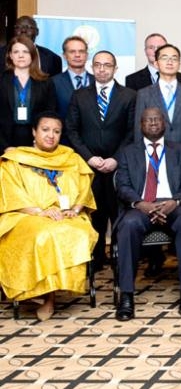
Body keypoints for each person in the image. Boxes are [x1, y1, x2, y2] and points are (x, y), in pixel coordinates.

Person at [0, 112, 97, 321]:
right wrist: (39, 212)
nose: (51, 135)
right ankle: (36, 291)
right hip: (25, 216)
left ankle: (50, 296)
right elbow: (11, 194)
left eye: (56, 131)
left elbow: (84, 188)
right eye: (45, 130)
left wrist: (76, 209)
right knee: (44, 235)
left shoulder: (71, 158)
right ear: (34, 132)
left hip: (67, 215)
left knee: (73, 232)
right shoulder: (15, 160)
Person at [113, 107, 181, 321]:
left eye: (157, 119)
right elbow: (122, 186)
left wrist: (175, 201)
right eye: (148, 120)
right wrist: (141, 203)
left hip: (172, 205)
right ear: (141, 125)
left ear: (164, 124)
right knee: (128, 226)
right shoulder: (128, 152)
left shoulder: (180, 150)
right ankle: (126, 296)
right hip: (140, 207)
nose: (152, 123)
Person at [66, 50, 136, 270]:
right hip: (89, 167)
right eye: (98, 65)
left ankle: (119, 257)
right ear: (92, 67)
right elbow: (71, 130)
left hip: (118, 166)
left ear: (115, 69)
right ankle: (94, 259)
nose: (102, 69)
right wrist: (89, 157)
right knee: (93, 212)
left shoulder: (129, 95)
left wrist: (115, 159)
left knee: (118, 213)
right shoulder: (80, 95)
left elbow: (132, 132)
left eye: (107, 65)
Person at [134, 44, 181, 167]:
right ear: (156, 64)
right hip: (153, 155)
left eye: (174, 58)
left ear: (179, 64)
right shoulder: (144, 94)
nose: (170, 62)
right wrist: (140, 158)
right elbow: (138, 130)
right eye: (165, 58)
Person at [0, 36, 58, 153]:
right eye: (16, 52)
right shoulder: (2, 80)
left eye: (25, 51)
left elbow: (50, 115)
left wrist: (41, 144)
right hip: (5, 141)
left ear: (32, 55)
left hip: (37, 143)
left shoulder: (46, 82)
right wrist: (4, 147)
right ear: (10, 55)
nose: (20, 56)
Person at [51, 36, 92, 120]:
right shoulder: (53, 83)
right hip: (65, 132)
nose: (77, 55)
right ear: (64, 56)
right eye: (72, 52)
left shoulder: (98, 82)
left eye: (81, 51)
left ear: (87, 55)